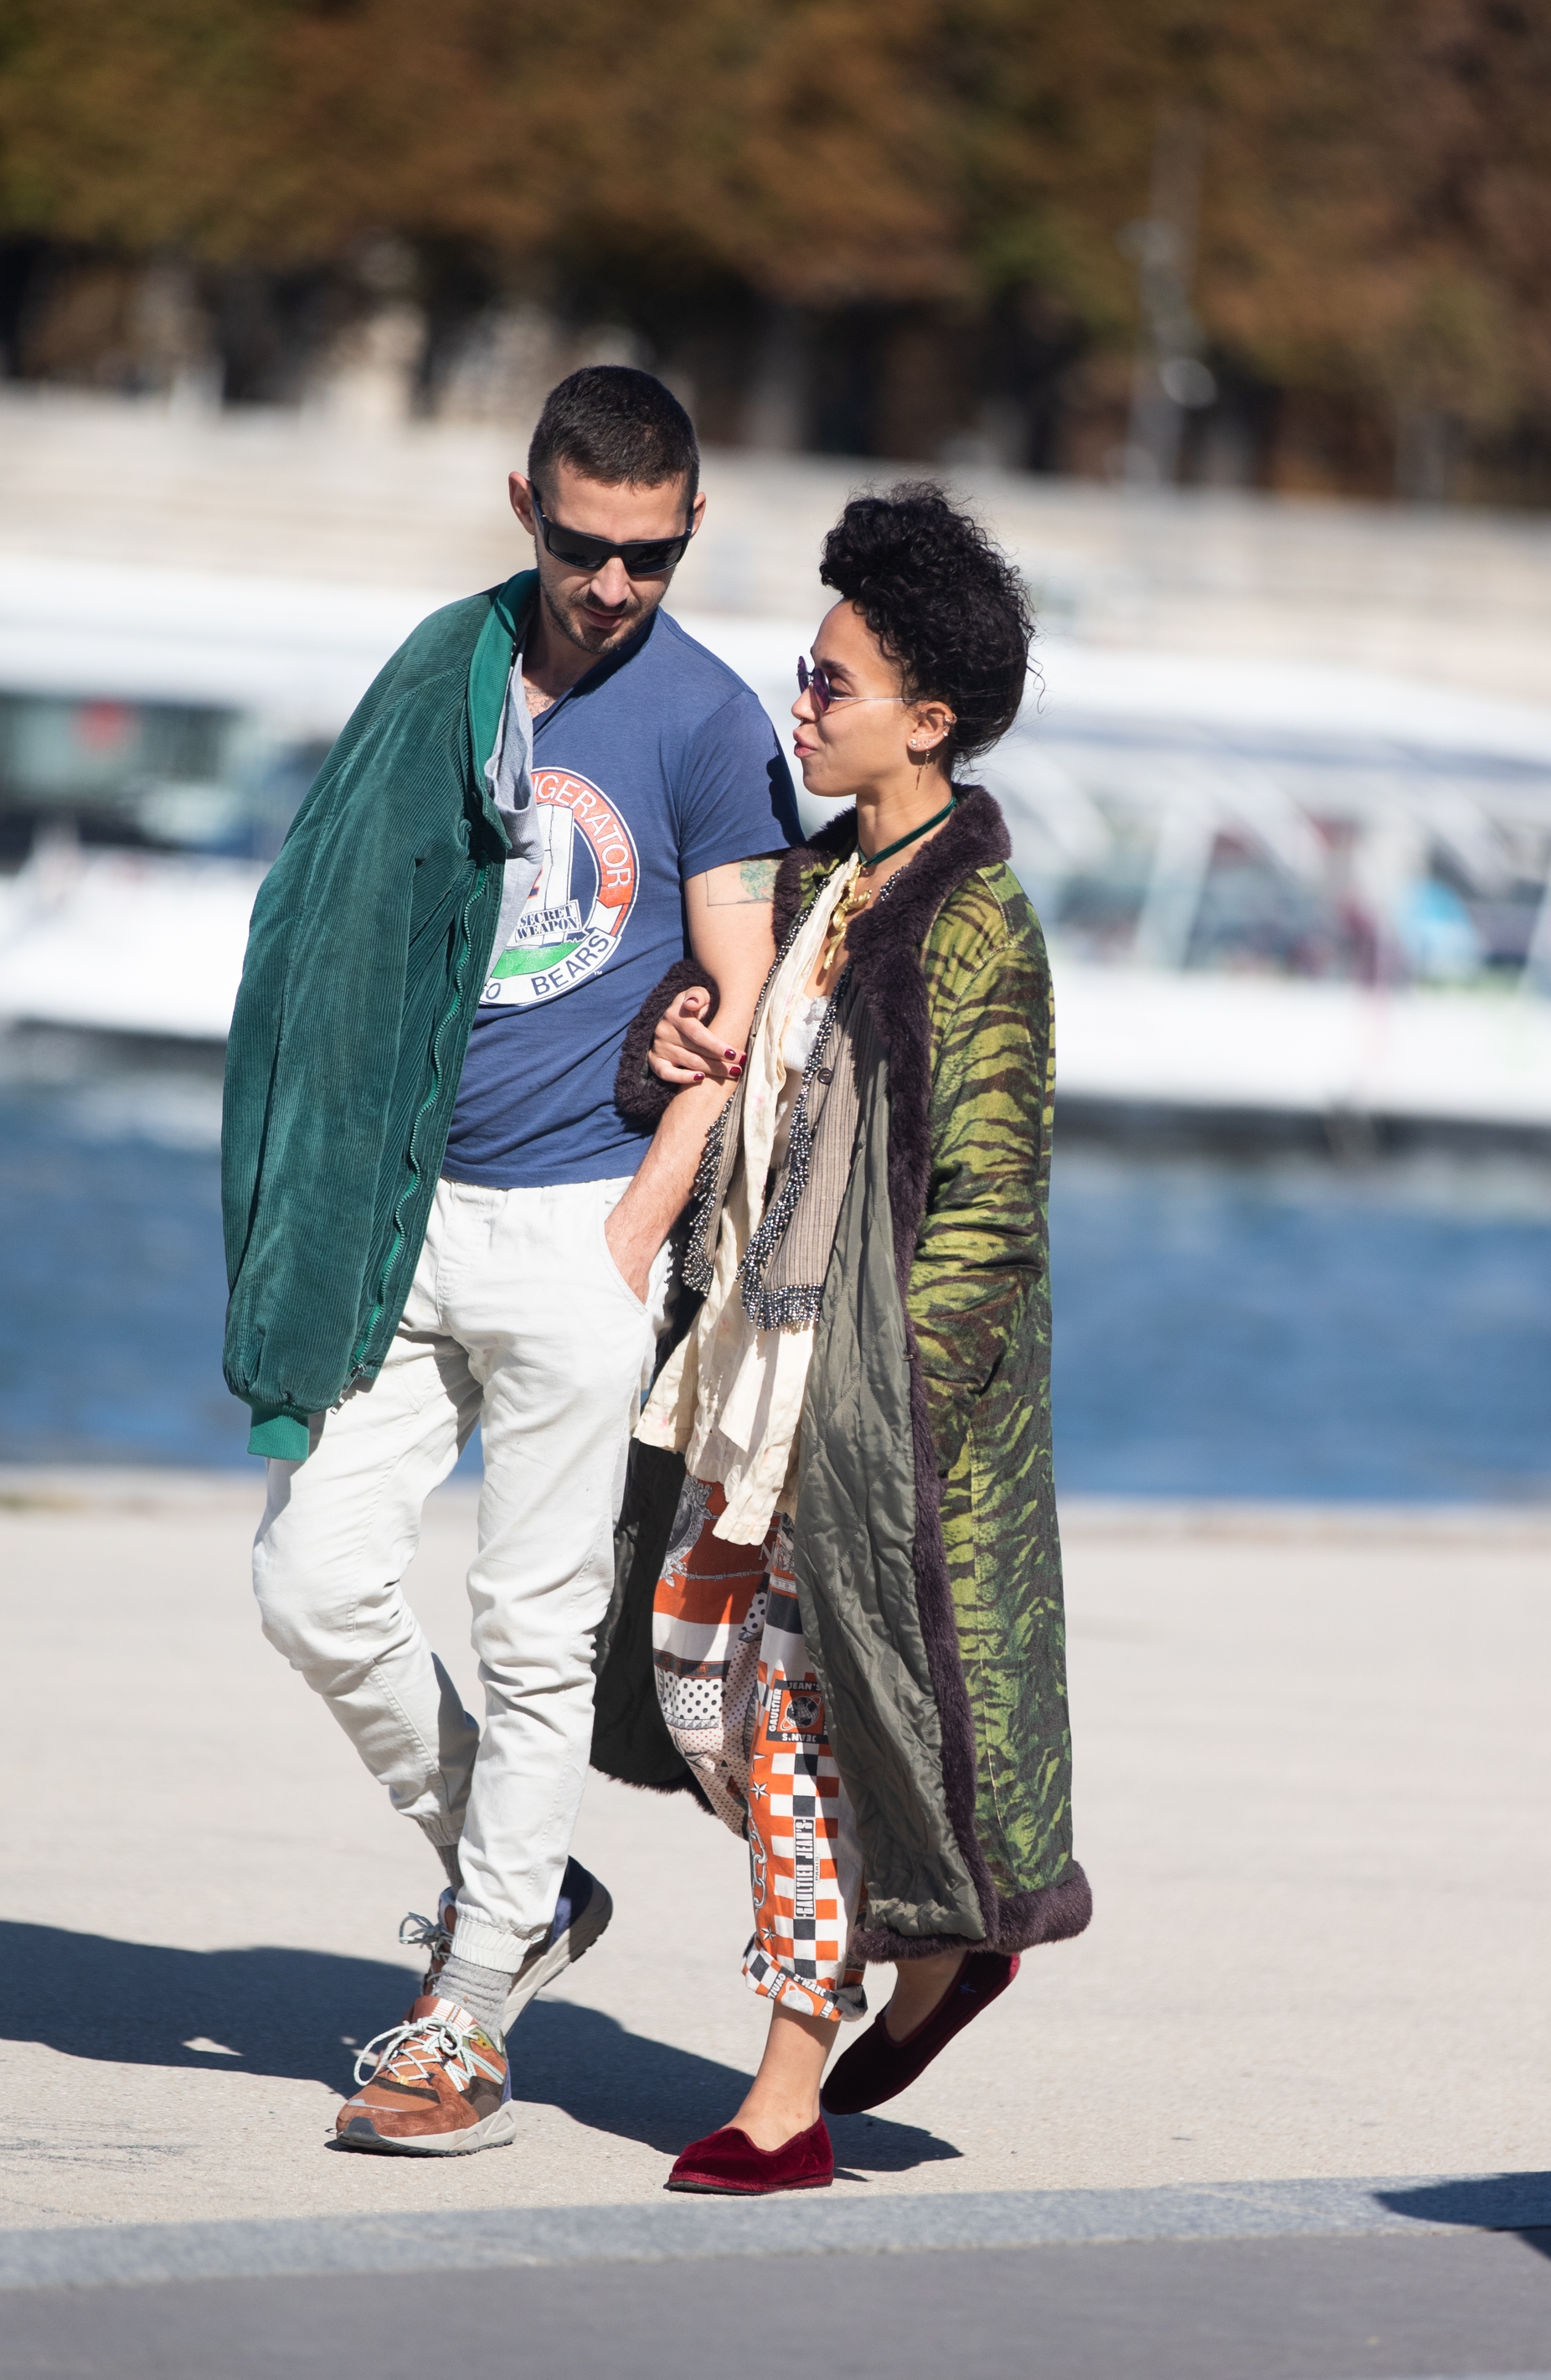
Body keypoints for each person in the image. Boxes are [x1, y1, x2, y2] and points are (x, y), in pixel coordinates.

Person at [221, 367, 796, 2155]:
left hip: (574, 1223)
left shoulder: (705, 727)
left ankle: (466, 2017)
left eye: (646, 554)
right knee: (312, 1584)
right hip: (397, 1208)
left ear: (688, 527)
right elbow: (327, 916)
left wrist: (640, 1225)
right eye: (580, 544)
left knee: (536, 1632)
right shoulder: (440, 670)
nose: (610, 586)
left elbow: (746, 999)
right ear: (524, 507)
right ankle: (525, 1892)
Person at [600, 483, 1091, 2195]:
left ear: (926, 721)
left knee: (798, 1728)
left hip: (859, 1411)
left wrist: (892, 1414)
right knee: (694, 1689)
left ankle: (785, 2090)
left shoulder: (975, 928)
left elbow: (987, 1213)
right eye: (803, 675)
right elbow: (729, 1083)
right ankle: (941, 1946)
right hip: (741, 1367)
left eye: (830, 684)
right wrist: (664, 1046)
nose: (798, 703)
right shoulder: (812, 885)